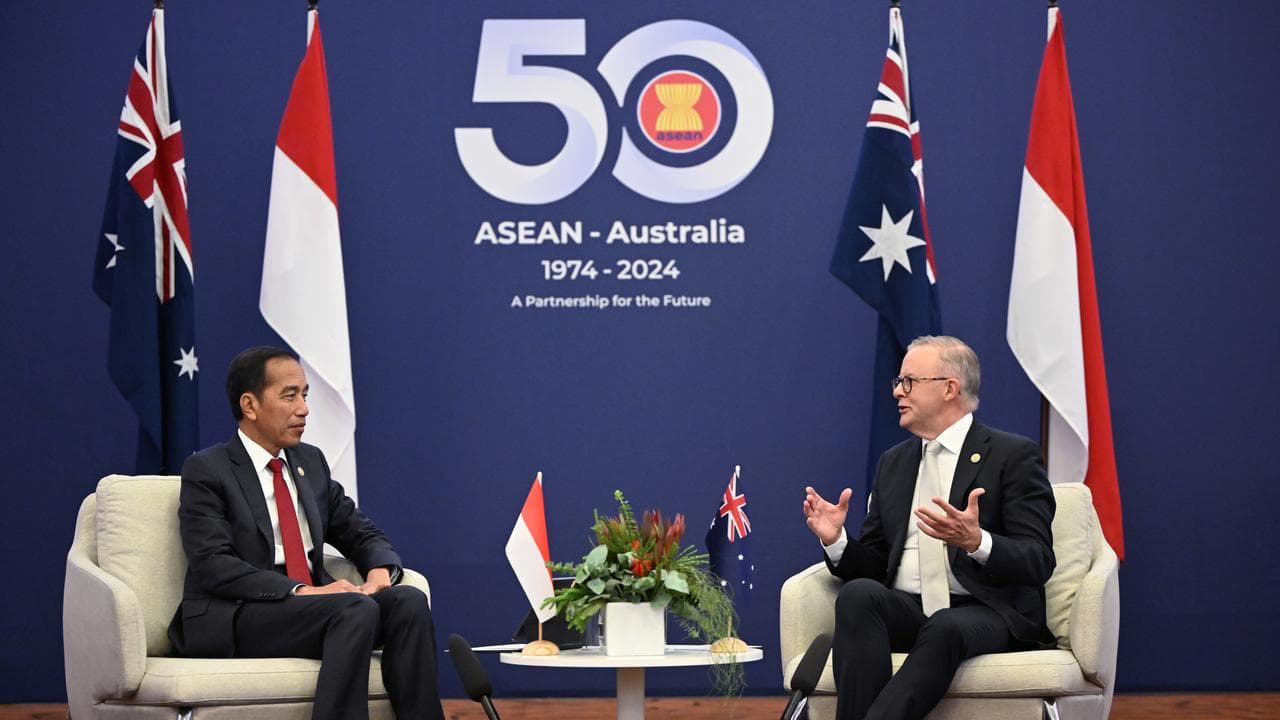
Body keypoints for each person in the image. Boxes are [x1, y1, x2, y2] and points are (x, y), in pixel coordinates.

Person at [167, 346, 445, 720]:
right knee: (353, 608)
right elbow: (213, 565)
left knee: (408, 603)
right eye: (289, 396)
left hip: (315, 610)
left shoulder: (309, 462)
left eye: (305, 395)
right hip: (241, 612)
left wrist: (381, 571)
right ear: (249, 406)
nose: (304, 409)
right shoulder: (208, 469)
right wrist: (305, 591)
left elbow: (361, 532)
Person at [803, 335, 1056, 720]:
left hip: (984, 609)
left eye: (908, 382)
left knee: (945, 627)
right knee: (858, 594)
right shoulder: (894, 462)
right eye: (898, 382)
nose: (897, 393)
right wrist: (837, 540)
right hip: (909, 606)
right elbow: (874, 566)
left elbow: (1038, 560)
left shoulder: (1012, 455)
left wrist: (977, 542)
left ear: (949, 388)